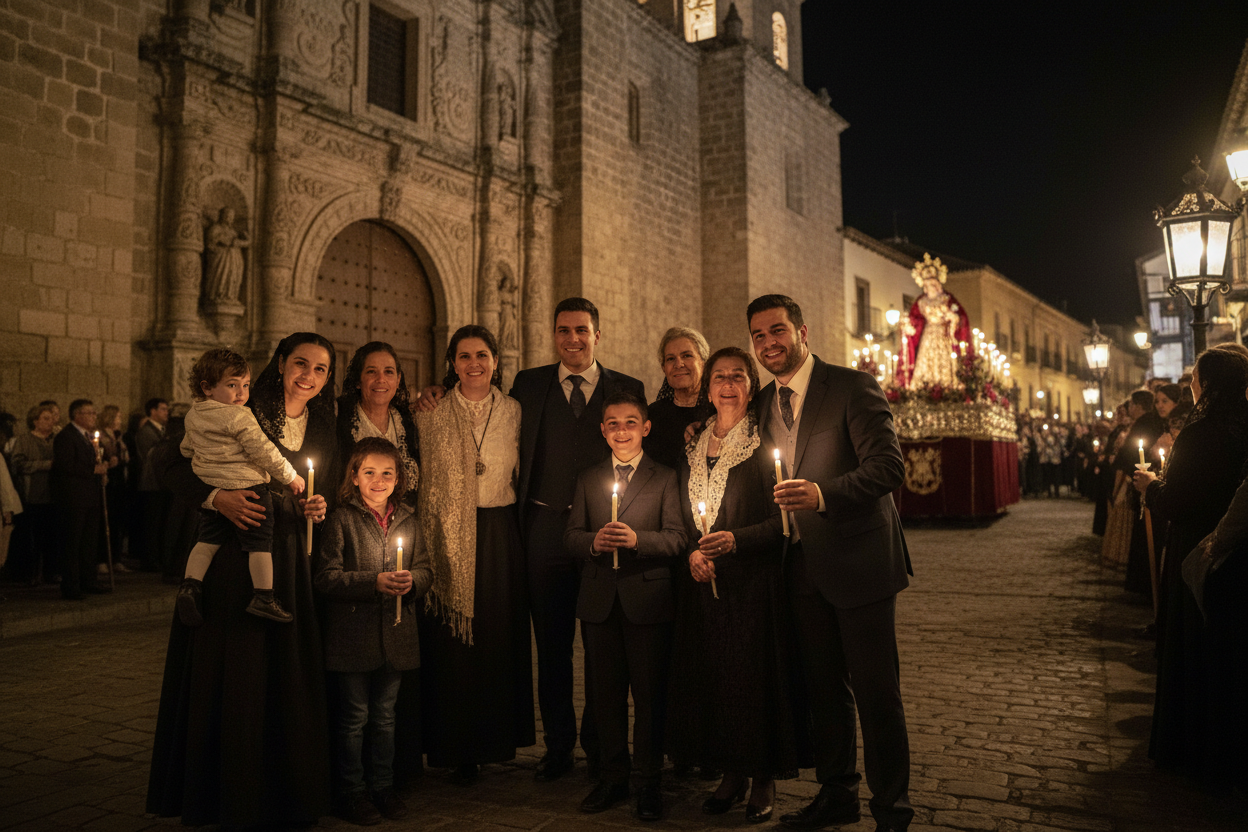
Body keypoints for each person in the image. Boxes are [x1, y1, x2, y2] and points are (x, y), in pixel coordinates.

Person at [147, 332, 337, 828]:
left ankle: (281, 784)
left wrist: (316, 503)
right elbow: (166, 461)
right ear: (280, 363)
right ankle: (225, 786)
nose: (308, 376)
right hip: (235, 548)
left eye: (320, 369)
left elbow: (318, 485)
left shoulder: (322, 421)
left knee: (282, 662)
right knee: (237, 659)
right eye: (300, 364)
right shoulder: (236, 403)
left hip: (288, 554)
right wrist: (215, 499)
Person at [746, 295, 914, 832]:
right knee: (824, 692)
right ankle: (837, 793)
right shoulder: (763, 405)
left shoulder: (851, 387)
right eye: (759, 336)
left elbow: (888, 467)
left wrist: (821, 495)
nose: (769, 343)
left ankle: (892, 808)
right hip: (800, 567)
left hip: (859, 561)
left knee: (876, 693)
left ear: (802, 331)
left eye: (778, 331)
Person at [666, 347, 804, 824]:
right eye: (720, 377)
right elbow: (681, 517)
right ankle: (730, 773)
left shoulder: (764, 444)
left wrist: (734, 542)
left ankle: (761, 776)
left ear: (751, 386)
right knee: (716, 679)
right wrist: (692, 552)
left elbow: (780, 524)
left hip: (752, 584)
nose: (728, 384)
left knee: (752, 681)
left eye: (738, 376)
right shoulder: (691, 444)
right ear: (707, 388)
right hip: (703, 585)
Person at [414, 325, 535, 784]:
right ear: (452, 363)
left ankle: (494, 742)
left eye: (482, 355)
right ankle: (455, 747)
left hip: (500, 532)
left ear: (496, 360)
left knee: (496, 639)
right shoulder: (431, 411)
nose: (474, 364)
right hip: (446, 532)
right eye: (463, 357)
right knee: (452, 643)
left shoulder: (515, 411)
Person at [565, 391, 686, 820]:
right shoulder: (588, 477)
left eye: (630, 422)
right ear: (602, 429)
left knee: (649, 696)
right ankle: (612, 778)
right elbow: (571, 535)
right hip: (599, 602)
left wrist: (638, 540)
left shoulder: (665, 477)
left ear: (646, 427)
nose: (621, 430)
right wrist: (592, 542)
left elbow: (676, 537)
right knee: (606, 695)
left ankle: (648, 781)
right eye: (613, 423)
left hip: (647, 600)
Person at [1133, 348, 1248, 786]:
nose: (1193, 387)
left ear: (1208, 383)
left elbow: (1177, 500)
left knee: (1196, 650)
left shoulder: (1200, 435)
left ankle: (1192, 746)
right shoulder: (1243, 424)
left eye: (1196, 380)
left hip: (1197, 547)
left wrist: (1151, 489)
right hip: (1236, 556)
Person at [315, 437, 431, 825]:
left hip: (396, 635)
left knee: (385, 717)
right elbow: (327, 577)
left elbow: (426, 569)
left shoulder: (409, 520)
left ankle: (383, 786)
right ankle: (352, 792)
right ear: (355, 476)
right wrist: (373, 582)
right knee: (354, 718)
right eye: (370, 473)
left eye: (387, 473)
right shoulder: (342, 518)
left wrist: (411, 581)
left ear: (398, 479)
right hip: (353, 636)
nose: (378, 480)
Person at [177, 348, 307, 626]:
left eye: (245, 385)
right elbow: (263, 451)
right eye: (232, 385)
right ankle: (263, 596)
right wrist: (290, 475)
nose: (241, 393)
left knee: (207, 541)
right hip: (250, 488)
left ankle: (190, 586)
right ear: (207, 387)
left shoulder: (193, 414)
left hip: (213, 488)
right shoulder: (240, 416)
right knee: (259, 544)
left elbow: (186, 448)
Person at [337, 342, 420, 501]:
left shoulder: (409, 421)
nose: (381, 379)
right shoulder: (339, 419)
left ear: (398, 379)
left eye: (388, 372)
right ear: (358, 381)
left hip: (403, 522)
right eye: (371, 372)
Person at [51, 399, 110, 599]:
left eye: (94, 413)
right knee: (73, 543)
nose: (94, 416)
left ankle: (88, 580)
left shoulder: (88, 437)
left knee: (89, 542)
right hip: (74, 499)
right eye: (90, 413)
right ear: (77, 415)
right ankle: (71, 585)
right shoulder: (66, 437)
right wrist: (93, 469)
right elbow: (65, 465)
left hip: (91, 497)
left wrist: (102, 468)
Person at [643, 327, 711, 471]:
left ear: (703, 362)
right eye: (670, 359)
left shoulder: (718, 411)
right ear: (664, 368)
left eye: (687, 356)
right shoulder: (653, 415)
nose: (678, 364)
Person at [899, 254, 970, 389]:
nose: (930, 287)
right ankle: (922, 390)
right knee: (925, 363)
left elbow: (960, 317)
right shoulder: (921, 302)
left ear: (937, 284)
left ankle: (946, 389)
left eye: (933, 284)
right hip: (927, 335)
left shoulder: (946, 299)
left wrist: (952, 318)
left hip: (943, 335)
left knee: (944, 364)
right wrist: (908, 326)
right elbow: (916, 321)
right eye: (927, 284)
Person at [7, 403, 58, 584]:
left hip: (54, 495)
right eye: (45, 418)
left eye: (52, 418)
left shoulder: (55, 440)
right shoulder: (25, 440)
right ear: (35, 421)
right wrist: (44, 465)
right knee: (35, 536)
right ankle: (34, 572)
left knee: (52, 536)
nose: (50, 422)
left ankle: (50, 571)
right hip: (34, 495)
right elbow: (18, 465)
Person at [135, 397, 170, 572]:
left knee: (160, 523)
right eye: (163, 409)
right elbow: (150, 457)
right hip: (151, 484)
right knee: (152, 523)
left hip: (161, 484)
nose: (166, 413)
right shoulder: (146, 432)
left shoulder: (161, 430)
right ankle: (150, 559)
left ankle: (158, 557)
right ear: (153, 411)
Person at [95, 405, 130, 574]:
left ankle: (116, 558)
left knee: (117, 521)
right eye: (117, 417)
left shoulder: (118, 437)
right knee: (105, 521)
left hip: (119, 483)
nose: (119, 421)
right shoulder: (100, 436)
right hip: (107, 482)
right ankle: (102, 559)